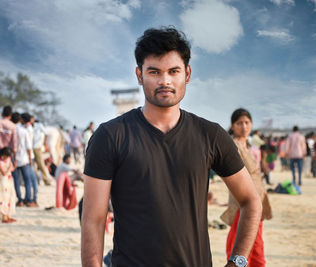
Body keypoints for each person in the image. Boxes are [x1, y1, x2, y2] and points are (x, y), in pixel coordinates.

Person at [81, 27, 262, 267]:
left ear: (187, 74)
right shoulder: (111, 136)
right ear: (139, 75)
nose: (164, 80)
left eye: (173, 71)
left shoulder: (210, 135)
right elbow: (93, 219)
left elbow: (251, 201)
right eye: (154, 71)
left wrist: (237, 262)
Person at [221, 108, 272, 267]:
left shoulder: (250, 146)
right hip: (242, 201)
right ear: (233, 125)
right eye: (239, 123)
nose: (244, 126)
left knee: (256, 243)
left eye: (247, 122)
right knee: (240, 241)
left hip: (258, 199)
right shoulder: (232, 146)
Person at [0, 147, 16, 223]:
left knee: (10, 197)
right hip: (3, 181)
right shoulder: (0, 162)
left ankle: (8, 215)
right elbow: (4, 172)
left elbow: (12, 168)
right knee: (4, 198)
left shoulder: (8, 159)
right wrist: (9, 168)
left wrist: (9, 168)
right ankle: (3, 216)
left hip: (9, 180)